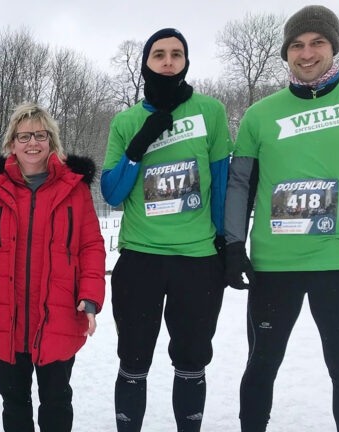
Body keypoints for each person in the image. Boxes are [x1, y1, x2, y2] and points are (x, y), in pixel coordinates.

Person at [224, 6, 339, 431]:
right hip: (276, 265)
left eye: (317, 42)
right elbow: (239, 184)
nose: (306, 53)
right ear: (286, 53)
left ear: (333, 47)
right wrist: (233, 243)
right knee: (262, 363)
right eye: (297, 45)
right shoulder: (259, 115)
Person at [100, 28, 231, 432]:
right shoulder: (126, 121)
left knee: (191, 361)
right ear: (146, 63)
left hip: (197, 260)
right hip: (141, 258)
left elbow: (222, 181)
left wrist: (227, 242)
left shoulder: (211, 111)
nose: (168, 61)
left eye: (177, 54)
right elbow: (112, 192)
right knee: (134, 360)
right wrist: (138, 147)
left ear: (186, 62)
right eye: (159, 54)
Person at [0, 102, 106, 432]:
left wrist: (90, 296)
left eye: (40, 135)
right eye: (23, 135)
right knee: (13, 402)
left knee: (56, 401)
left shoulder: (75, 188)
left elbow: (91, 246)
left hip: (57, 314)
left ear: (51, 140)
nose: (32, 143)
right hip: (5, 315)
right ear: (12, 143)